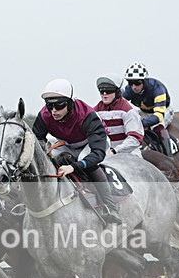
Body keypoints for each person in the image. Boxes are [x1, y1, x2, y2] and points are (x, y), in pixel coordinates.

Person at [32, 78, 122, 225]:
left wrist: (73, 167)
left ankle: (110, 207)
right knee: (50, 160)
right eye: (49, 105)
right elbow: (37, 140)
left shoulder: (87, 116)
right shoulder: (44, 115)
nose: (54, 111)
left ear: (69, 103)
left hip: (92, 143)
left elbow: (98, 154)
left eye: (59, 105)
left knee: (85, 161)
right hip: (67, 143)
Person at [121, 62, 173, 156]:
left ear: (144, 81)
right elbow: (120, 105)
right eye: (130, 83)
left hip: (163, 110)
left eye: (137, 83)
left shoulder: (157, 88)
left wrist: (142, 123)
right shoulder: (128, 90)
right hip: (144, 111)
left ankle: (169, 154)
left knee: (158, 127)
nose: (134, 87)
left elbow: (159, 116)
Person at [93, 74, 144, 156]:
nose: (104, 94)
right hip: (105, 153)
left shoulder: (129, 111)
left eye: (108, 90)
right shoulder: (95, 111)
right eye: (101, 91)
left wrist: (115, 150)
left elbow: (135, 138)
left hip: (129, 153)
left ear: (117, 92)